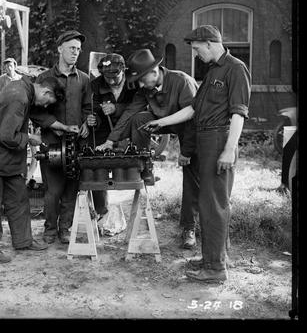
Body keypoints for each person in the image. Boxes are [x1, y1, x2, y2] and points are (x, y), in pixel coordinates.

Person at [141, 25, 251, 283]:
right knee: (208, 202)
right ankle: (214, 258)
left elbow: (238, 113)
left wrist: (229, 149)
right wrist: (162, 122)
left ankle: (215, 269)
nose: (196, 54)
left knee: (214, 204)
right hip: (205, 138)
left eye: (197, 49)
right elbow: (193, 110)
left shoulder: (235, 68)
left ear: (210, 43)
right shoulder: (213, 70)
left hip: (219, 139)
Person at [95, 49, 200, 249]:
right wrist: (110, 140)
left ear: (154, 71)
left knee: (192, 177)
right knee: (139, 118)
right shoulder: (146, 88)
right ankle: (144, 165)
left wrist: (185, 152)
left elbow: (193, 120)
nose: (141, 85)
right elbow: (129, 114)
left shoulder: (182, 82)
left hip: (194, 128)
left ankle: (189, 228)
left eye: (142, 80)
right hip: (167, 122)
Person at [0, 75, 76, 263]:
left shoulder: (25, 89)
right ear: (45, 91)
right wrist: (30, 139)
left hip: (7, 157)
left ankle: (23, 240)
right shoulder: (19, 97)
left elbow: (37, 114)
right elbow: (7, 136)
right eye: (47, 101)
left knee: (19, 199)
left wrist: (64, 127)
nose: (44, 106)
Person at [30, 30, 92, 245]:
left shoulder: (84, 79)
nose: (75, 53)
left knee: (71, 188)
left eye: (78, 49)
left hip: (76, 144)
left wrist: (86, 123)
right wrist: (54, 126)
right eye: (71, 48)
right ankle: (49, 229)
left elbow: (88, 108)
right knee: (52, 190)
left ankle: (65, 228)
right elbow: (36, 112)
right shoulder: (43, 78)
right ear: (60, 49)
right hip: (52, 143)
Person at [85, 53, 137, 232]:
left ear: (123, 70)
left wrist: (117, 108)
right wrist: (93, 120)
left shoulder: (134, 83)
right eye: (107, 77)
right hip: (103, 133)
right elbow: (92, 110)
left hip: (129, 129)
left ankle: (137, 214)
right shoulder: (95, 86)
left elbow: (139, 106)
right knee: (95, 165)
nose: (111, 81)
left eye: (115, 77)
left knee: (133, 167)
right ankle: (101, 211)